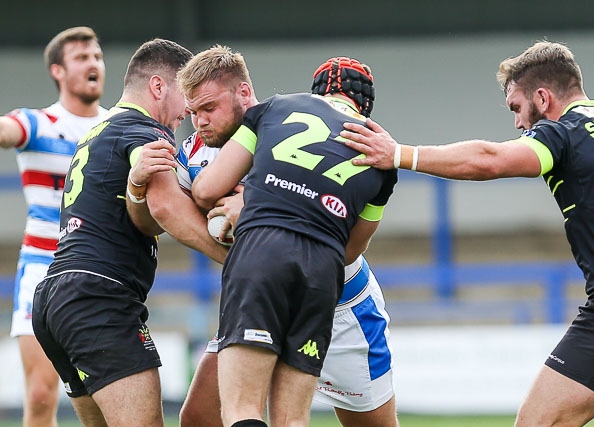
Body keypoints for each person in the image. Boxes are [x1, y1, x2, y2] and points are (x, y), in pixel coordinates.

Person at [340, 39, 594, 427]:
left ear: (543, 98)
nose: (518, 122)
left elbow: (490, 160)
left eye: (517, 108)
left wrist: (398, 153)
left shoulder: (563, 133)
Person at [126, 45, 397, 427]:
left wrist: (254, 208)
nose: (199, 122)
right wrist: (137, 187)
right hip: (261, 282)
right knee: (200, 417)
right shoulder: (195, 151)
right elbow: (159, 214)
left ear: (242, 93)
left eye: (209, 109)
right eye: (194, 112)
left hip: (341, 304)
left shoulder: (280, 119)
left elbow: (348, 241)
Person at [30, 38, 227, 427]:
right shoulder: (145, 130)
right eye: (185, 97)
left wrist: (137, 188)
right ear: (158, 87)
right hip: (98, 298)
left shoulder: (99, 131)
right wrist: (236, 259)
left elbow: (147, 219)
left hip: (56, 297)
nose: (187, 113)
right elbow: (167, 208)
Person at [0, 26, 107, 427]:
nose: (93, 64)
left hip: (100, 270)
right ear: (57, 71)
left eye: (96, 56)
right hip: (41, 269)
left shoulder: (115, 127)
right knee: (43, 394)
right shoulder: (38, 123)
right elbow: (7, 130)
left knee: (104, 394)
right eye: (82, 58)